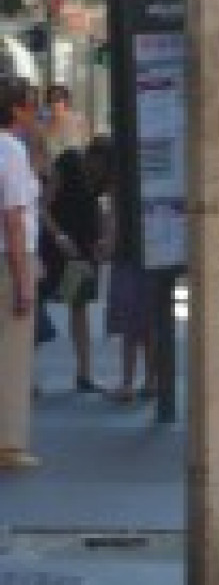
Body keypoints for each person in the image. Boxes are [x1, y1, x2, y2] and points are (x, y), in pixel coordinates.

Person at [0, 76, 43, 469]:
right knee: (13, 356)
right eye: (32, 106)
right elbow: (13, 217)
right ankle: (8, 443)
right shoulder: (11, 150)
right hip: (11, 257)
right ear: (15, 109)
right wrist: (24, 283)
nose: (37, 114)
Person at [97, 136, 157, 404]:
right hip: (150, 254)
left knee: (131, 325)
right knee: (146, 325)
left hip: (127, 257)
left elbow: (114, 220)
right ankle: (151, 380)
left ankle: (128, 383)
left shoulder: (117, 185)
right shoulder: (144, 175)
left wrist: (106, 247)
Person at [39, 146, 102, 393]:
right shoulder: (74, 170)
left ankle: (84, 374)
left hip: (73, 251)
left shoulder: (90, 178)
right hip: (66, 251)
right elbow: (43, 207)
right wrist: (60, 237)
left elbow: (43, 207)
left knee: (76, 308)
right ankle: (81, 374)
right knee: (64, 309)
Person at [41, 83, 88, 161]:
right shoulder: (45, 125)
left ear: (66, 101)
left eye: (57, 100)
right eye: (49, 101)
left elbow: (86, 146)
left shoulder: (79, 120)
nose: (53, 104)